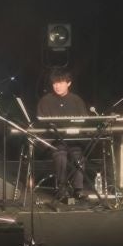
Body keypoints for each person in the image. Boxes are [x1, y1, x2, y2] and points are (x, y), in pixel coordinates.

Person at [36, 68, 89, 204]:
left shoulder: (76, 100)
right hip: (55, 141)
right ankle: (62, 189)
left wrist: (76, 129)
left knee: (79, 157)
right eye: (54, 83)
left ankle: (78, 190)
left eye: (60, 83)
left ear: (69, 83)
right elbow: (42, 124)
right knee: (60, 155)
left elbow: (84, 122)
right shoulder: (45, 101)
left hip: (73, 140)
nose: (57, 86)